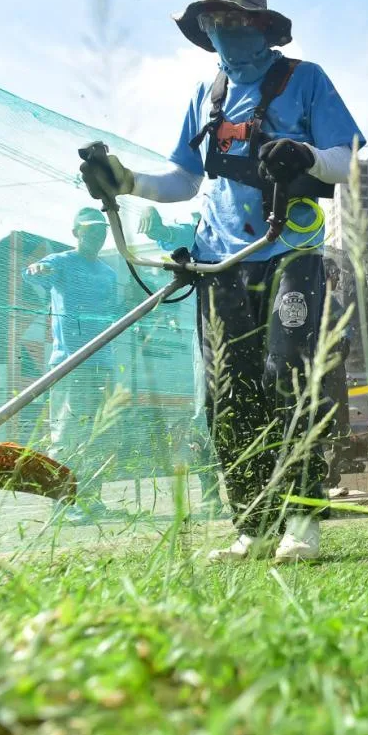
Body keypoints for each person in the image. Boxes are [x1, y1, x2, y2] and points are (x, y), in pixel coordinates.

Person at [77, 0, 364, 561]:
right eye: (212, 20)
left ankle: (302, 523)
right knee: (227, 393)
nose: (222, 28)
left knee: (290, 378)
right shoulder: (205, 96)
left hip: (289, 251)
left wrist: (305, 154)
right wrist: (126, 181)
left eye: (233, 17)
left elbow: (347, 156)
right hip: (219, 260)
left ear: (262, 26)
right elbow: (183, 178)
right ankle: (253, 526)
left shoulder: (305, 81)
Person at [23, 207, 120, 521]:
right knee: (67, 432)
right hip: (70, 362)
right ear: (76, 232)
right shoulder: (61, 262)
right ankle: (63, 503)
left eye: (101, 230)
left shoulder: (108, 273)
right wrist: (37, 269)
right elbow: (34, 271)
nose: (97, 235)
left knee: (97, 433)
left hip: (102, 360)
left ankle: (91, 498)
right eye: (90, 230)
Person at [141, 208, 224, 515]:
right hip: (210, 332)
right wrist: (159, 229)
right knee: (206, 411)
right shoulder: (203, 226)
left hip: (257, 324)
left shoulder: (271, 216)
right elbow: (174, 236)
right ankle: (211, 491)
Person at [322, 259, 354, 494]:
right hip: (327, 370)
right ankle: (326, 476)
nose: (338, 281)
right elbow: (345, 330)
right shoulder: (324, 302)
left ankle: (328, 475)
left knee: (332, 420)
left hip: (325, 368)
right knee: (333, 420)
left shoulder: (326, 303)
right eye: (336, 276)